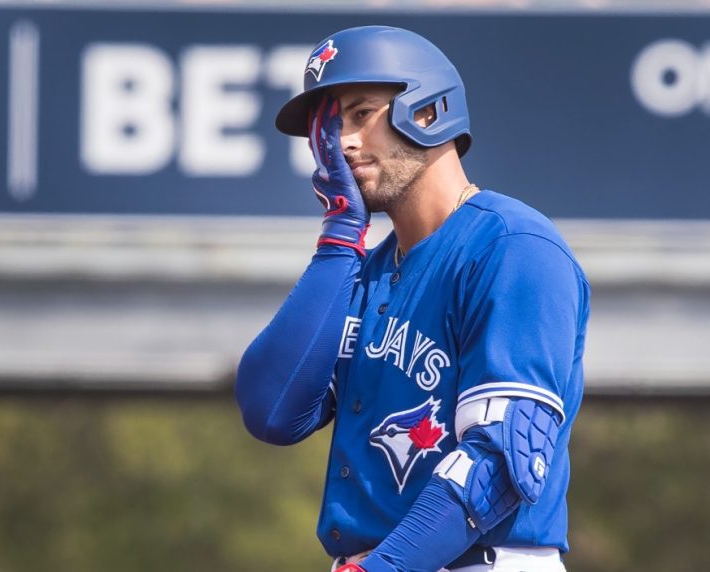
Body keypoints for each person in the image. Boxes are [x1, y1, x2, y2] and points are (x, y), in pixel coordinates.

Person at [235, 25, 590, 572]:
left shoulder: (513, 247)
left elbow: (503, 465)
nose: (341, 143)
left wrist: (384, 568)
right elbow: (272, 411)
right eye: (328, 128)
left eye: (359, 115)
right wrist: (338, 239)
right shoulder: (367, 273)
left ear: (428, 111)